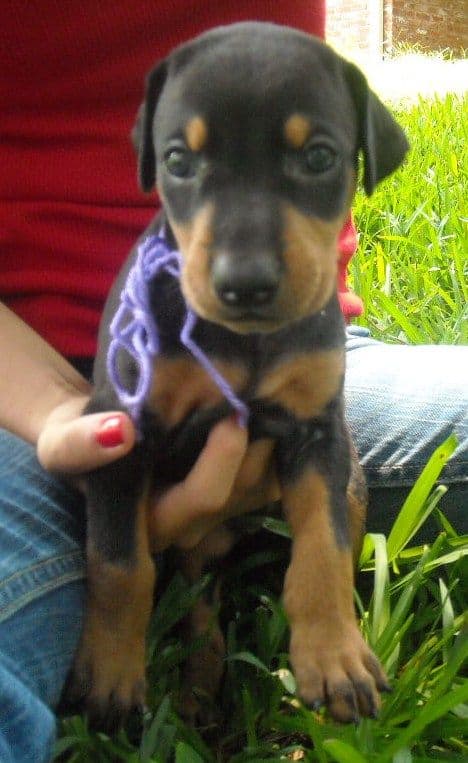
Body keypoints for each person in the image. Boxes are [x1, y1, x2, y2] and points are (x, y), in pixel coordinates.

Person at [1, 2, 466, 761]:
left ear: (364, 159)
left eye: (315, 159)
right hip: (30, 415)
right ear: (151, 161)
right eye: (185, 166)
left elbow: (321, 436)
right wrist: (118, 609)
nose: (244, 264)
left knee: (319, 444)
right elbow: (117, 460)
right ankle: (163, 615)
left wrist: (325, 611)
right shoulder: (152, 321)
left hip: (310, 354)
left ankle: (277, 604)